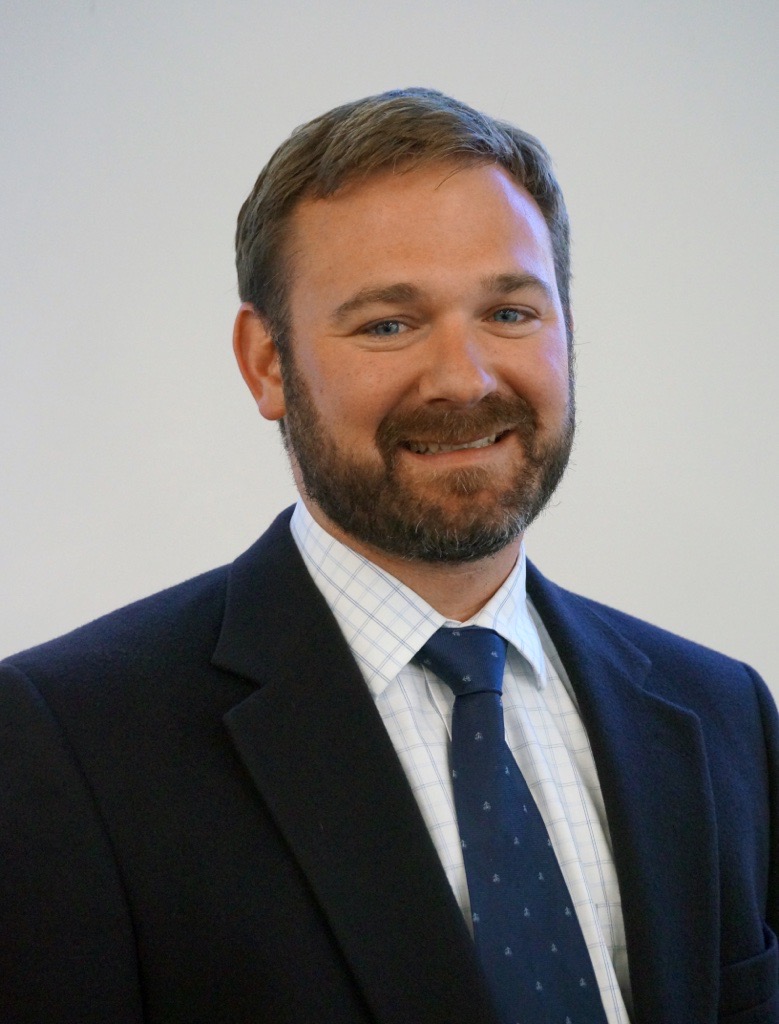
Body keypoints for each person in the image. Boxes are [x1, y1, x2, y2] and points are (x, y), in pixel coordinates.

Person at [0, 88, 776, 1024]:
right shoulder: (66, 744)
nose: (464, 377)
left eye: (510, 313)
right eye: (387, 325)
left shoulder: (720, 712)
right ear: (267, 363)